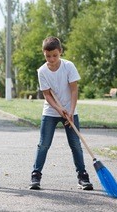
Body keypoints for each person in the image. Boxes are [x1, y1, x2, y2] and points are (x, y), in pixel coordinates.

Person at [29, 36, 93, 191]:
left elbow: (74, 89)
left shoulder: (69, 66)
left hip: (71, 110)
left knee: (76, 145)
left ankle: (82, 176)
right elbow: (47, 95)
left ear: (60, 52)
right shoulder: (42, 71)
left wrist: (70, 110)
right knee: (43, 144)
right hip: (51, 111)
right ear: (44, 53)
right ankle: (35, 175)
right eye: (48, 56)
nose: (51, 59)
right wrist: (59, 109)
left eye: (55, 55)